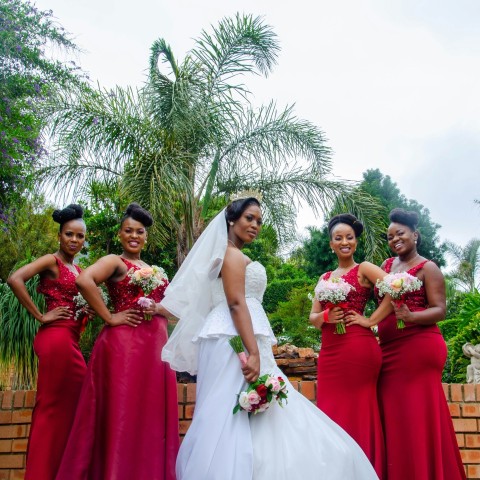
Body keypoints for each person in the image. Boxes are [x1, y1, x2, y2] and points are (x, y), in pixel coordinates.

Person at [160, 196, 379, 480]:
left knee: (235, 412)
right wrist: (252, 353)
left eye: (259, 221)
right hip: (236, 338)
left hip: (230, 335)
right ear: (231, 220)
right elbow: (236, 303)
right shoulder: (232, 255)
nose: (255, 225)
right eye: (249, 218)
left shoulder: (225, 254)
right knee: (231, 412)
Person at [56, 203, 179, 480]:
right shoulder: (114, 261)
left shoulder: (152, 268)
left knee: (148, 417)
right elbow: (85, 281)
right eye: (128, 230)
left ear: (146, 236)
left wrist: (158, 309)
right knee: (122, 413)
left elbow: (173, 310)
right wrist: (110, 318)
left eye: (140, 231)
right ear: (120, 234)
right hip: (125, 348)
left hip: (155, 350)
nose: (134, 235)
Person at [347, 208, 466, 480]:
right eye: (390, 236)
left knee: (417, 415)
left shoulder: (428, 268)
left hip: (419, 348)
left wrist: (412, 316)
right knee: (395, 417)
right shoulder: (387, 267)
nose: (394, 239)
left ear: (415, 234)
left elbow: (439, 310)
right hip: (388, 350)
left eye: (399, 233)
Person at [7, 204, 88, 480]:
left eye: (79, 236)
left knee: (72, 408)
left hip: (71, 341)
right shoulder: (50, 261)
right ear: (59, 236)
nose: (74, 240)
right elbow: (14, 278)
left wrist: (85, 311)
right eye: (69, 235)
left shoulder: (79, 270)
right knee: (51, 409)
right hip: (56, 339)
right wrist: (41, 316)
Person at [309, 213, 390, 479]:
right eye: (338, 238)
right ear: (331, 243)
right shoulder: (325, 276)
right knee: (331, 412)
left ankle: (366, 471)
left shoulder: (365, 268)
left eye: (349, 238)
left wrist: (370, 321)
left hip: (358, 349)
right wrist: (325, 317)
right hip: (330, 353)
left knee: (359, 410)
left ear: (355, 242)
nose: (344, 242)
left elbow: (394, 290)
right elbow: (313, 317)